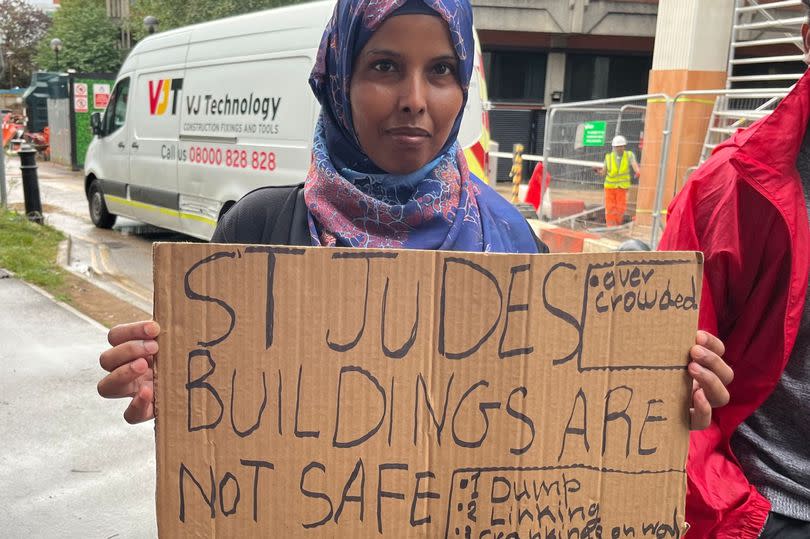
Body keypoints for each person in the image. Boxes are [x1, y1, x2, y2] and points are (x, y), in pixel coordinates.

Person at [97, 0, 731, 460]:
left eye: (442, 71)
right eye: (383, 67)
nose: (414, 98)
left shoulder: (512, 238)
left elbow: (563, 419)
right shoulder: (257, 229)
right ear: (337, 77)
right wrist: (168, 384)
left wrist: (663, 390)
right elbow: (225, 431)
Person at [659, 3, 810, 537]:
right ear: (809, 41)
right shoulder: (728, 190)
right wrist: (733, 512)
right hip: (768, 509)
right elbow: (657, 382)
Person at [596, 135, 640, 227]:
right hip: (610, 186)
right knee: (610, 207)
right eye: (617, 147)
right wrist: (598, 172)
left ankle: (617, 224)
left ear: (624, 146)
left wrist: (638, 172)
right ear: (613, 147)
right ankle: (611, 225)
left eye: (621, 146)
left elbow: (634, 165)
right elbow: (604, 172)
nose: (619, 148)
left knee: (620, 208)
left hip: (622, 187)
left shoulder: (629, 155)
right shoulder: (608, 157)